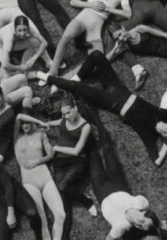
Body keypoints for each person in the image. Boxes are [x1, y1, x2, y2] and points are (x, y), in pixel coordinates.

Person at [31, 51, 167, 165]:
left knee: (77, 88)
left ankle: (41, 75)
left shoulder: (149, 136)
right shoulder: (163, 114)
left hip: (109, 101)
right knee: (96, 56)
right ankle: (76, 77)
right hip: (117, 87)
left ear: (166, 140)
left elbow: (156, 161)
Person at [48, 0, 146, 89]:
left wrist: (109, 9)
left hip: (97, 26)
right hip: (83, 17)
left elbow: (128, 13)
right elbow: (74, 1)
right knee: (66, 36)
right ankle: (53, 71)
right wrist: (91, 4)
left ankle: (62, 81)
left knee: (99, 60)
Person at [86, 111, 167, 240]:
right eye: (143, 222)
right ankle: (95, 118)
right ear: (142, 212)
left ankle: (84, 126)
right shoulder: (141, 203)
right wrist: (162, 225)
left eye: (142, 228)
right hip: (119, 185)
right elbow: (157, 220)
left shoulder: (121, 227)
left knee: (92, 156)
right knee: (108, 150)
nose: (139, 225)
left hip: (102, 192)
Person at [44, 96, 97, 240]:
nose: (66, 117)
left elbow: (76, 150)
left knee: (61, 187)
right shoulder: (65, 119)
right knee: (63, 197)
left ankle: (87, 201)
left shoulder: (85, 127)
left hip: (77, 161)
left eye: (68, 113)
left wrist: (56, 148)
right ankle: (64, 237)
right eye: (63, 114)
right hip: (60, 161)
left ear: (76, 108)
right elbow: (59, 122)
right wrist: (47, 123)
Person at [14, 113, 65, 240]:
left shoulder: (40, 133)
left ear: (32, 123)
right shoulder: (16, 137)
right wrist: (40, 121)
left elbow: (51, 154)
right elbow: (19, 116)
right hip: (30, 182)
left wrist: (37, 161)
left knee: (61, 215)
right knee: (43, 222)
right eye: (23, 123)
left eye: (28, 122)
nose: (25, 125)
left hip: (45, 177)